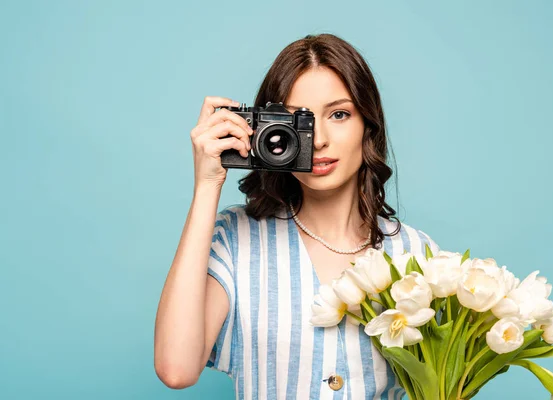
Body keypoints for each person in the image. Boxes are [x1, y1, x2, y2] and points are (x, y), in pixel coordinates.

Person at [154, 33, 440, 399]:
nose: (318, 139)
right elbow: (176, 369)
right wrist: (208, 184)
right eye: (297, 121)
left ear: (368, 124)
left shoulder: (418, 254)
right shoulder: (235, 238)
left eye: (339, 114)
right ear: (268, 132)